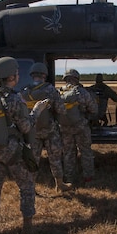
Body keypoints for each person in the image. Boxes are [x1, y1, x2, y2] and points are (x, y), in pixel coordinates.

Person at [0, 56, 36, 234]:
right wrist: (36, 112)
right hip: (13, 152)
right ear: (11, 77)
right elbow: (26, 127)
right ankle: (28, 227)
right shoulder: (14, 99)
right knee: (27, 185)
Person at [22, 63, 73, 194]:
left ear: (32, 75)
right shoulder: (50, 90)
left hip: (33, 130)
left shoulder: (24, 90)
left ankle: (30, 187)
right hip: (50, 130)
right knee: (55, 158)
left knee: (33, 159)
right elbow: (61, 109)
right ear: (44, 75)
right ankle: (60, 184)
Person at [58, 69, 97, 185]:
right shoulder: (82, 92)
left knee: (68, 153)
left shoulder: (60, 92)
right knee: (86, 152)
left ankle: (69, 179)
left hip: (65, 128)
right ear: (77, 78)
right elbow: (94, 109)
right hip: (81, 127)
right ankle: (88, 179)